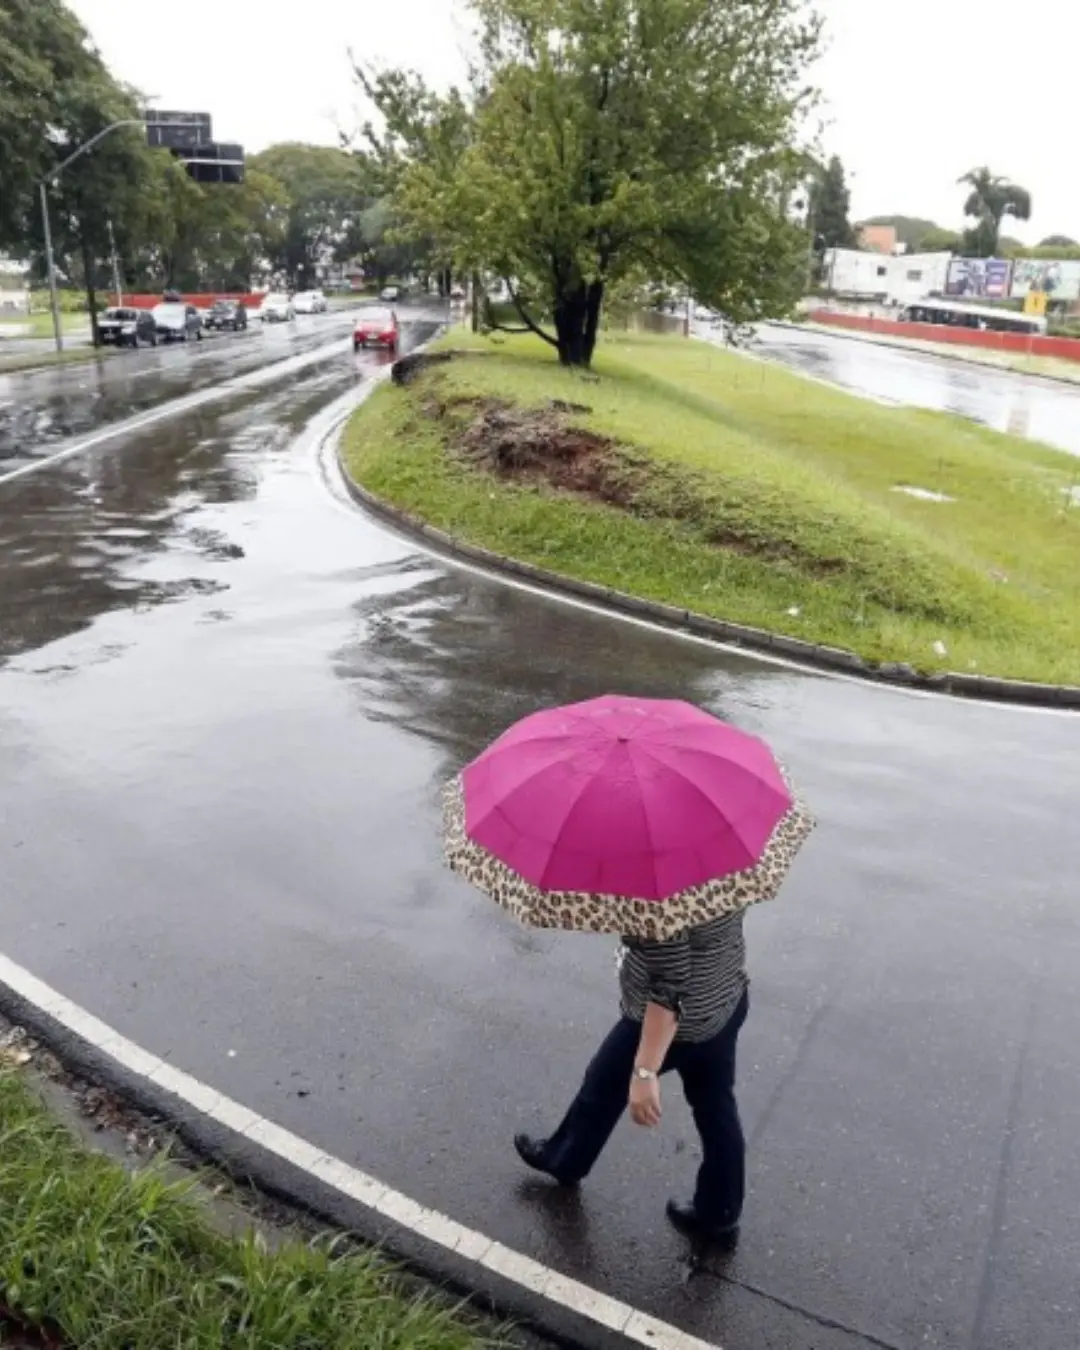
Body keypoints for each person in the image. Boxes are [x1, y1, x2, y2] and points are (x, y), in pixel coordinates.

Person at [514, 910, 750, 1249]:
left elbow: (669, 987)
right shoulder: (720, 865)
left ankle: (565, 1159)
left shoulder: (657, 899)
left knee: (601, 1085)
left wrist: (644, 1071)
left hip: (676, 1026)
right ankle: (719, 1213)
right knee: (716, 1107)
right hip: (725, 1000)